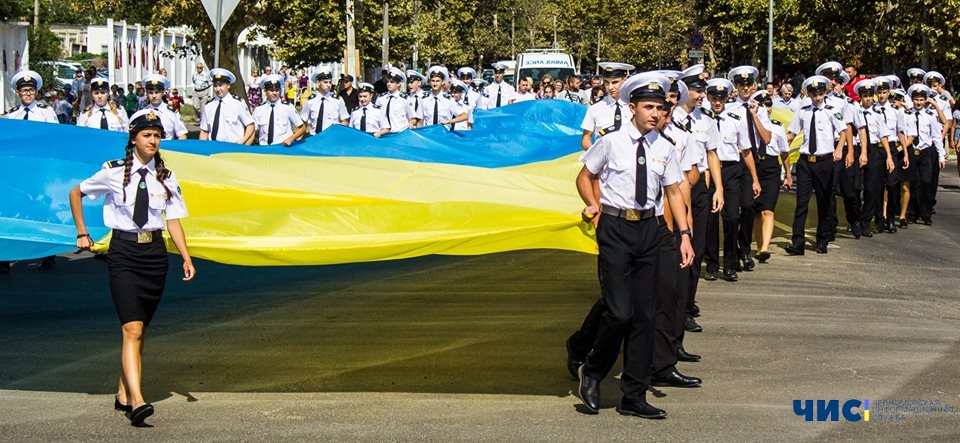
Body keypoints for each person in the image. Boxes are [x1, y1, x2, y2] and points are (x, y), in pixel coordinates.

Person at [575, 71, 694, 419]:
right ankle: (593, 370)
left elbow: (673, 192)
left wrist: (684, 236)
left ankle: (634, 395)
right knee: (619, 311)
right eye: (648, 107)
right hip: (614, 227)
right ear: (632, 108)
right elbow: (586, 176)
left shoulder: (664, 147)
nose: (655, 113)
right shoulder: (611, 142)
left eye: (660, 107)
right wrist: (593, 205)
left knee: (644, 315)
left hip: (650, 231)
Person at [68, 109, 196, 426]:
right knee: (132, 328)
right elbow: (76, 192)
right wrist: (82, 232)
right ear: (134, 138)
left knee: (140, 331)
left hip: (154, 254)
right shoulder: (112, 172)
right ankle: (137, 402)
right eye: (146, 135)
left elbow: (174, 220)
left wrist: (185, 256)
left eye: (156, 135)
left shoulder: (166, 176)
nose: (152, 140)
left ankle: (123, 392)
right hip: (123, 252)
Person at [2, 70, 60, 273]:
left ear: (36, 92)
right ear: (18, 93)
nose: (28, 93)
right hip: (18, 171)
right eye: (24, 90)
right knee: (12, 210)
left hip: (40, 170)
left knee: (42, 210)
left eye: (31, 90)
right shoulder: (12, 115)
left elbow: (55, 140)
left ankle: (46, 253)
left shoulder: (46, 113)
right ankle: (6, 256)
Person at [784, 76, 848, 255]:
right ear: (809, 95)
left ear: (825, 93)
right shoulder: (803, 111)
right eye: (814, 95)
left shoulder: (831, 110)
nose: (818, 98)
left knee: (824, 201)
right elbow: (792, 133)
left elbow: (843, 131)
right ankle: (797, 242)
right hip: (806, 161)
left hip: (824, 161)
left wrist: (839, 150)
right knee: (801, 202)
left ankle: (823, 239)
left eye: (820, 94)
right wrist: (781, 147)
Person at [704, 77, 760, 281]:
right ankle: (711, 264)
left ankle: (729, 264)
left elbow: (746, 151)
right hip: (709, 172)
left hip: (731, 171)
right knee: (711, 220)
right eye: (713, 98)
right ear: (708, 97)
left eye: (721, 98)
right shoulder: (702, 120)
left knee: (732, 218)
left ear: (727, 97)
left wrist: (754, 178)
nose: (717, 102)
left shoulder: (736, 120)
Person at [726, 66, 769, 272]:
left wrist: (755, 116)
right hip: (736, 161)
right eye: (741, 84)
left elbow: (767, 138)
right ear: (735, 87)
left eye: (749, 84)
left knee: (750, 206)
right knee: (732, 212)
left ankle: (744, 247)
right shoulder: (728, 109)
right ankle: (733, 249)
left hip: (754, 160)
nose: (745, 88)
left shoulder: (759, 108)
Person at [749, 90, 792, 261]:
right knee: (756, 211)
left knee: (768, 209)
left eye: (769, 105)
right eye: (763, 105)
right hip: (754, 166)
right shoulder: (750, 124)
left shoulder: (777, 126)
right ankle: (759, 246)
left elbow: (784, 152)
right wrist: (755, 117)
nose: (767, 109)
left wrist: (788, 174)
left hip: (771, 167)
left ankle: (765, 247)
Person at [905, 84, 947, 225]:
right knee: (912, 182)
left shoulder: (930, 116)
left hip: (925, 151)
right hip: (912, 150)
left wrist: (941, 156)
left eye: (922, 100)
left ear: (925, 101)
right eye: (916, 100)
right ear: (912, 100)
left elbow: (936, 137)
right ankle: (912, 213)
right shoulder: (907, 114)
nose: (919, 103)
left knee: (926, 182)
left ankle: (926, 213)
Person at [580, 62, 634, 151]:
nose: (610, 87)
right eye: (606, 82)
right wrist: (595, 156)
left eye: (615, 82)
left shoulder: (634, 106)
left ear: (625, 80)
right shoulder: (595, 107)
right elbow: (586, 137)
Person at [198, 68, 255, 143]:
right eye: (215, 86)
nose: (218, 89)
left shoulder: (237, 103)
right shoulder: (209, 105)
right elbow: (204, 131)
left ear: (228, 85)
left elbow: (250, 125)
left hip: (232, 149)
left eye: (220, 85)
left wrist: (243, 142)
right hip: (213, 148)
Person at [252, 74, 306, 146]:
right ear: (265, 91)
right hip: (264, 149)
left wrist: (291, 139)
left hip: (282, 149)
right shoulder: (259, 110)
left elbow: (302, 128)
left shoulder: (288, 107)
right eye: (271, 90)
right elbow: (252, 130)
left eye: (277, 90)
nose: (274, 93)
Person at [301, 70, 350, 136]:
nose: (328, 85)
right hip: (314, 139)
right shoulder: (310, 101)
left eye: (330, 82)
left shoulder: (337, 101)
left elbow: (345, 121)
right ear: (318, 83)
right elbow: (303, 123)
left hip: (332, 138)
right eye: (325, 82)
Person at [141, 74, 188, 140]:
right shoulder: (142, 113)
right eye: (151, 93)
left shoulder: (172, 112)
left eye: (157, 92)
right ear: (146, 93)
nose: (154, 96)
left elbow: (182, 134)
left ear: (163, 92)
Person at [376, 67, 417, 133]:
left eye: (392, 82)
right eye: (387, 82)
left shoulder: (405, 99)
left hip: (400, 134)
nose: (389, 84)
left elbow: (413, 118)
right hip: (384, 135)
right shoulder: (381, 98)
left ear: (399, 83)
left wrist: (411, 123)